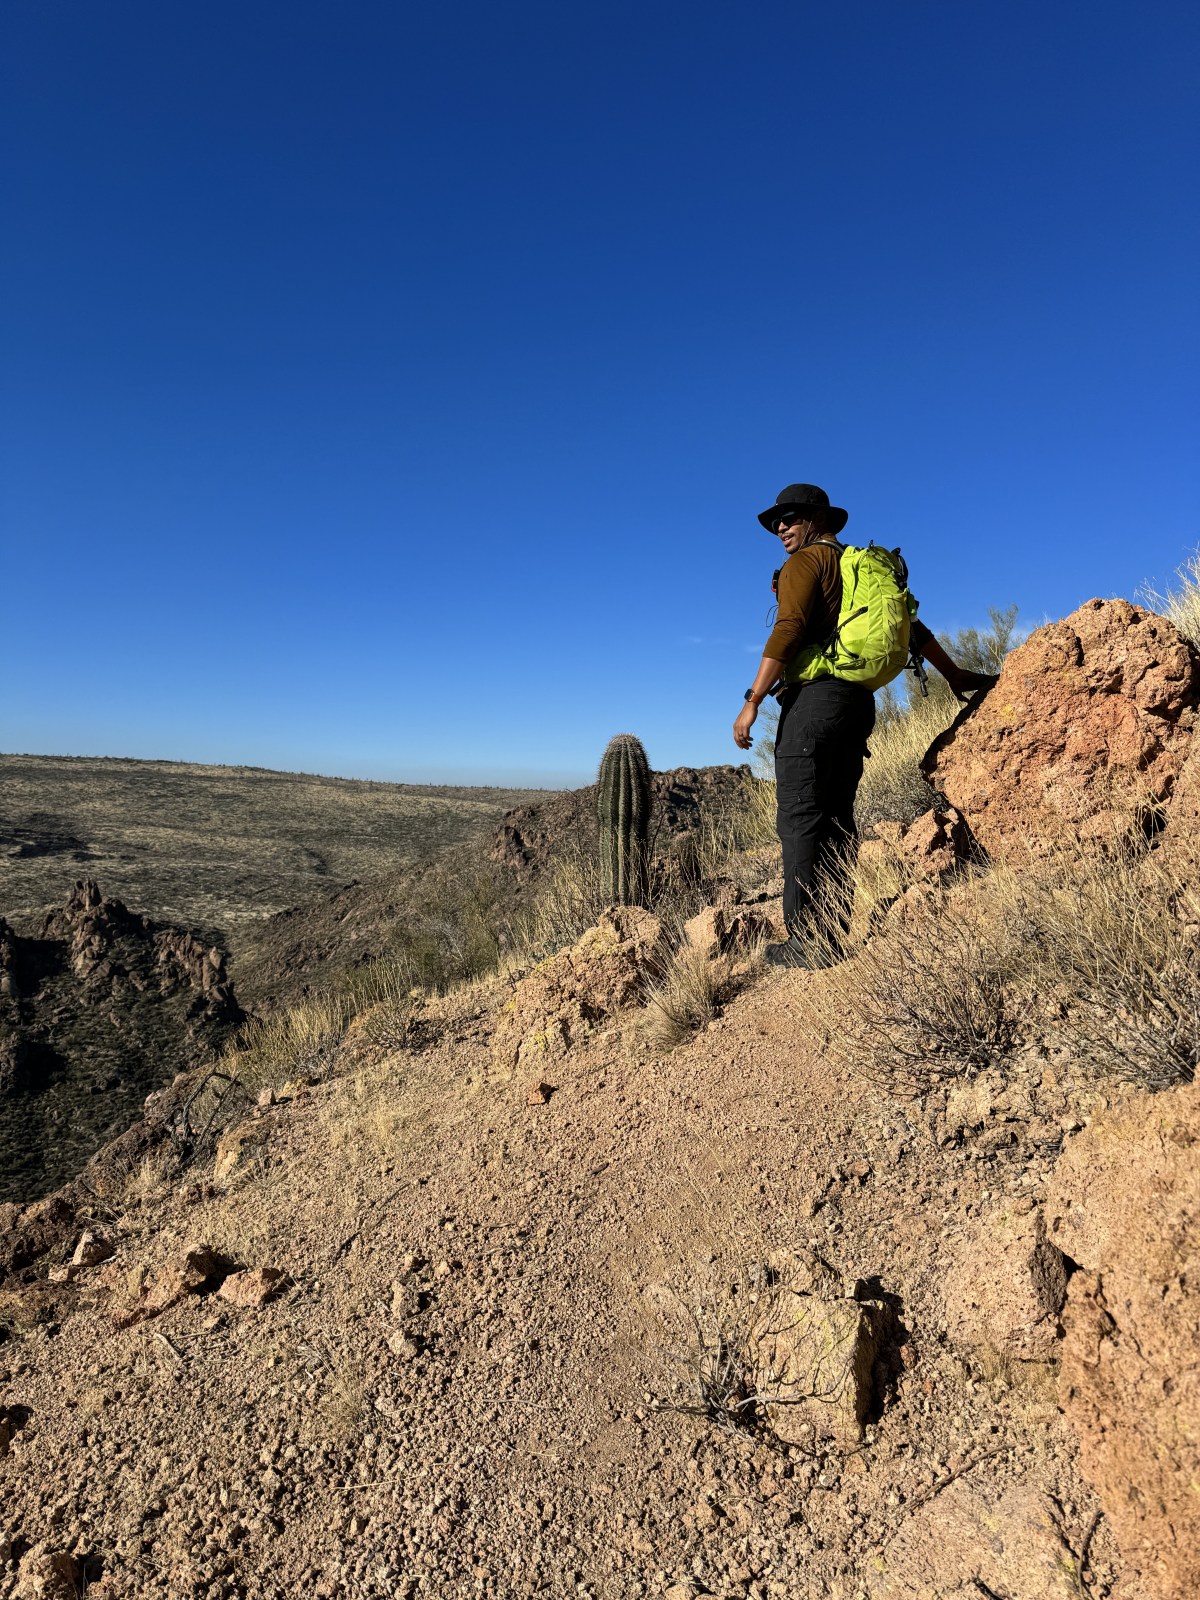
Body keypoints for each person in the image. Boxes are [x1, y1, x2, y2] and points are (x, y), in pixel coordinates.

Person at [732, 482, 993, 969]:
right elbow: (912, 628)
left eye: (790, 517)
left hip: (814, 704)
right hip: (857, 705)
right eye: (776, 522)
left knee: (801, 817)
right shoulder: (860, 567)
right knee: (836, 816)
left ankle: (811, 941)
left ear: (818, 518)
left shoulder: (807, 563)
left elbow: (788, 626)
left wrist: (753, 700)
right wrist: (953, 672)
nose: (781, 528)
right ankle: (829, 931)